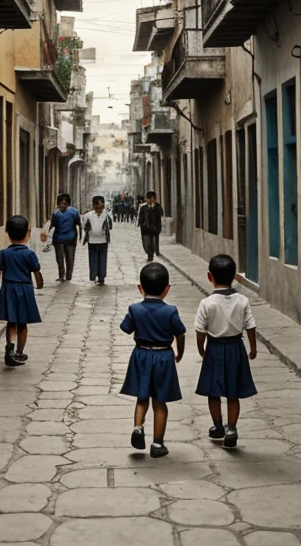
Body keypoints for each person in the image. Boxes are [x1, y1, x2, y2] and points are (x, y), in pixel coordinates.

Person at [120, 262, 186, 458]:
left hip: (141, 355)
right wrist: (179, 353)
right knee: (160, 402)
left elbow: (126, 328)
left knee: (142, 398)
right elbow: (180, 333)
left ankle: (138, 428)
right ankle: (158, 444)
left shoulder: (134, 309)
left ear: (140, 288)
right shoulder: (170, 311)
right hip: (163, 357)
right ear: (167, 289)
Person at [194, 254, 258, 450]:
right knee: (233, 392)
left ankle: (217, 426)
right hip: (236, 349)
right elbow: (250, 327)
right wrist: (253, 348)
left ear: (209, 276)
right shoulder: (242, 300)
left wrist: (201, 348)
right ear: (234, 276)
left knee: (213, 391)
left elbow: (199, 330)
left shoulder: (207, 303)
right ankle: (232, 429)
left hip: (214, 348)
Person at [0, 214, 44, 367]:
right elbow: (36, 272)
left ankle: (10, 348)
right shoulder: (29, 254)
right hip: (25, 289)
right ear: (28, 234)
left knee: (11, 321)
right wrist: (40, 284)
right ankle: (20, 352)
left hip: (8, 288)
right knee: (23, 323)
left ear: (7, 233)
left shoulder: (4, 253)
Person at [49, 192, 82, 282]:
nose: (63, 206)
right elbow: (52, 226)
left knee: (70, 258)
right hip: (58, 239)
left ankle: (68, 275)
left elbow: (79, 224)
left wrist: (80, 236)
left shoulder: (74, 213)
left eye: (65, 204)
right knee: (59, 258)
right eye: (61, 204)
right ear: (58, 204)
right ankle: (61, 275)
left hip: (71, 238)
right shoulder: (56, 214)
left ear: (68, 204)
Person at [83, 195, 113, 285]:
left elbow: (110, 226)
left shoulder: (106, 216)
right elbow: (84, 226)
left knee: (102, 259)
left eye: (101, 205)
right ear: (94, 205)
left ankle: (102, 277)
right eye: (98, 205)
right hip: (92, 240)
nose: (100, 207)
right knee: (93, 259)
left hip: (103, 240)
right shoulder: (88, 215)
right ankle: (94, 275)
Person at [138, 190, 164, 262]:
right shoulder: (143, 208)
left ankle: (151, 255)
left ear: (153, 199)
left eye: (150, 198)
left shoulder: (158, 207)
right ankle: (149, 255)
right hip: (146, 229)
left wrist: (158, 227)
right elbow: (140, 218)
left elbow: (160, 216)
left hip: (155, 228)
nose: (148, 200)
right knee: (147, 244)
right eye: (148, 198)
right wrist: (142, 224)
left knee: (153, 243)